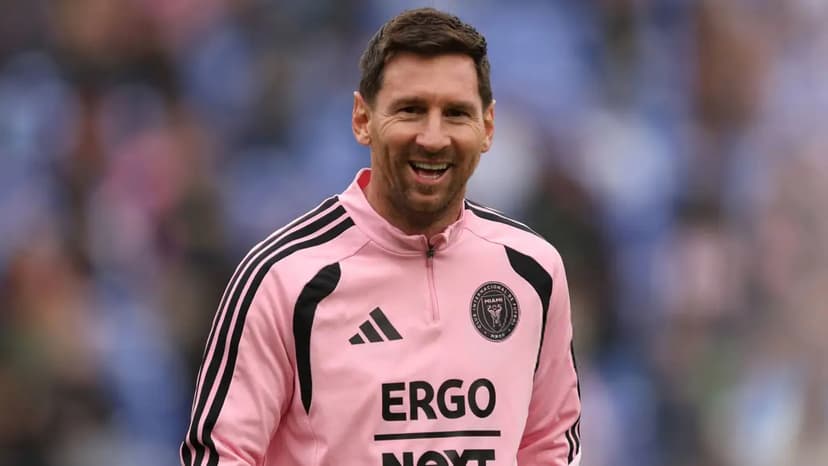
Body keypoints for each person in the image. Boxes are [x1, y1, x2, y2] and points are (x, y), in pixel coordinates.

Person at [180, 7, 581, 466]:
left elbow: (550, 446)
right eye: (411, 110)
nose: (433, 137)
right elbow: (220, 454)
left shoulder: (532, 271)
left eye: (455, 113)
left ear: (487, 128)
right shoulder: (284, 279)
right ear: (362, 119)